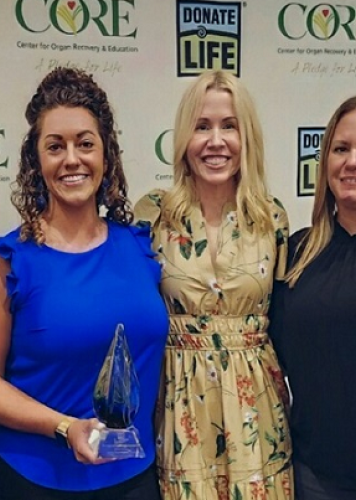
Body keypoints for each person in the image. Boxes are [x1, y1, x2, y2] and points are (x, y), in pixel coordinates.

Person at [0, 67, 168, 500]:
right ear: (36, 162)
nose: (72, 159)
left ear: (106, 155)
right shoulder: (8, 263)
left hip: (133, 476)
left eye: (85, 143)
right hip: (32, 479)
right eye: (55, 146)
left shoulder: (141, 248)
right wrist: (63, 427)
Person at [134, 70, 293, 499]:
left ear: (248, 138)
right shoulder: (153, 215)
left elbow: (286, 318)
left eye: (229, 126)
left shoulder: (271, 218)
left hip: (256, 409)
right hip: (180, 403)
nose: (215, 141)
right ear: (185, 137)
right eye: (202, 127)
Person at [269, 96, 356, 499]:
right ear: (325, 163)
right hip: (315, 477)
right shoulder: (295, 256)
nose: (351, 162)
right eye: (341, 149)